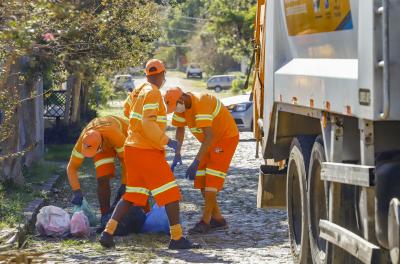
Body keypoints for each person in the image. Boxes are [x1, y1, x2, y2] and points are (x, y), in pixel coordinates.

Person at [99, 59, 198, 249]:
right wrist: (167, 141)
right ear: (162, 75)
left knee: (132, 195)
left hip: (132, 149)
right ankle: (177, 238)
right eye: (163, 76)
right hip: (147, 151)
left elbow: (127, 110)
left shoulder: (138, 90)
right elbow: (147, 123)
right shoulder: (153, 92)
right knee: (171, 194)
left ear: (147, 74)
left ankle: (108, 233)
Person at [164, 87, 239, 234]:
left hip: (225, 139)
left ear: (182, 98)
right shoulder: (181, 107)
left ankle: (205, 221)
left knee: (211, 180)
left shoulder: (201, 102)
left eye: (176, 106)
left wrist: (196, 162)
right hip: (210, 142)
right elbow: (180, 128)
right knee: (202, 180)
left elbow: (210, 136)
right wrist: (177, 153)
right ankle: (218, 219)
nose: (176, 110)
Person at [67, 115, 128, 216]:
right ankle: (105, 217)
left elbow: (127, 161)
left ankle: (143, 212)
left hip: (126, 136)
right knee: (102, 178)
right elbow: (71, 167)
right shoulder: (84, 139)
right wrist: (76, 190)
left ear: (100, 145)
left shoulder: (115, 135)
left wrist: (125, 183)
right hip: (103, 145)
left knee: (134, 183)